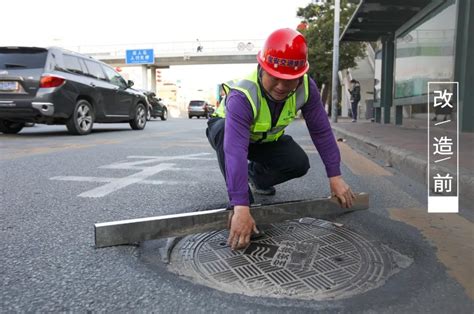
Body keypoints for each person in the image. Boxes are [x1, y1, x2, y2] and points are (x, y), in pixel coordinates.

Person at [206, 28, 355, 250]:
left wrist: (335, 176)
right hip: (230, 136)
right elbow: (235, 151)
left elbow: (321, 131)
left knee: (299, 163)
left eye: (290, 80)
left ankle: (257, 177)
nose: (282, 87)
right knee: (224, 135)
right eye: (275, 78)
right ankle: (242, 199)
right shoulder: (243, 95)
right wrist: (241, 206)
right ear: (263, 68)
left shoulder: (306, 87)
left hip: (264, 141)